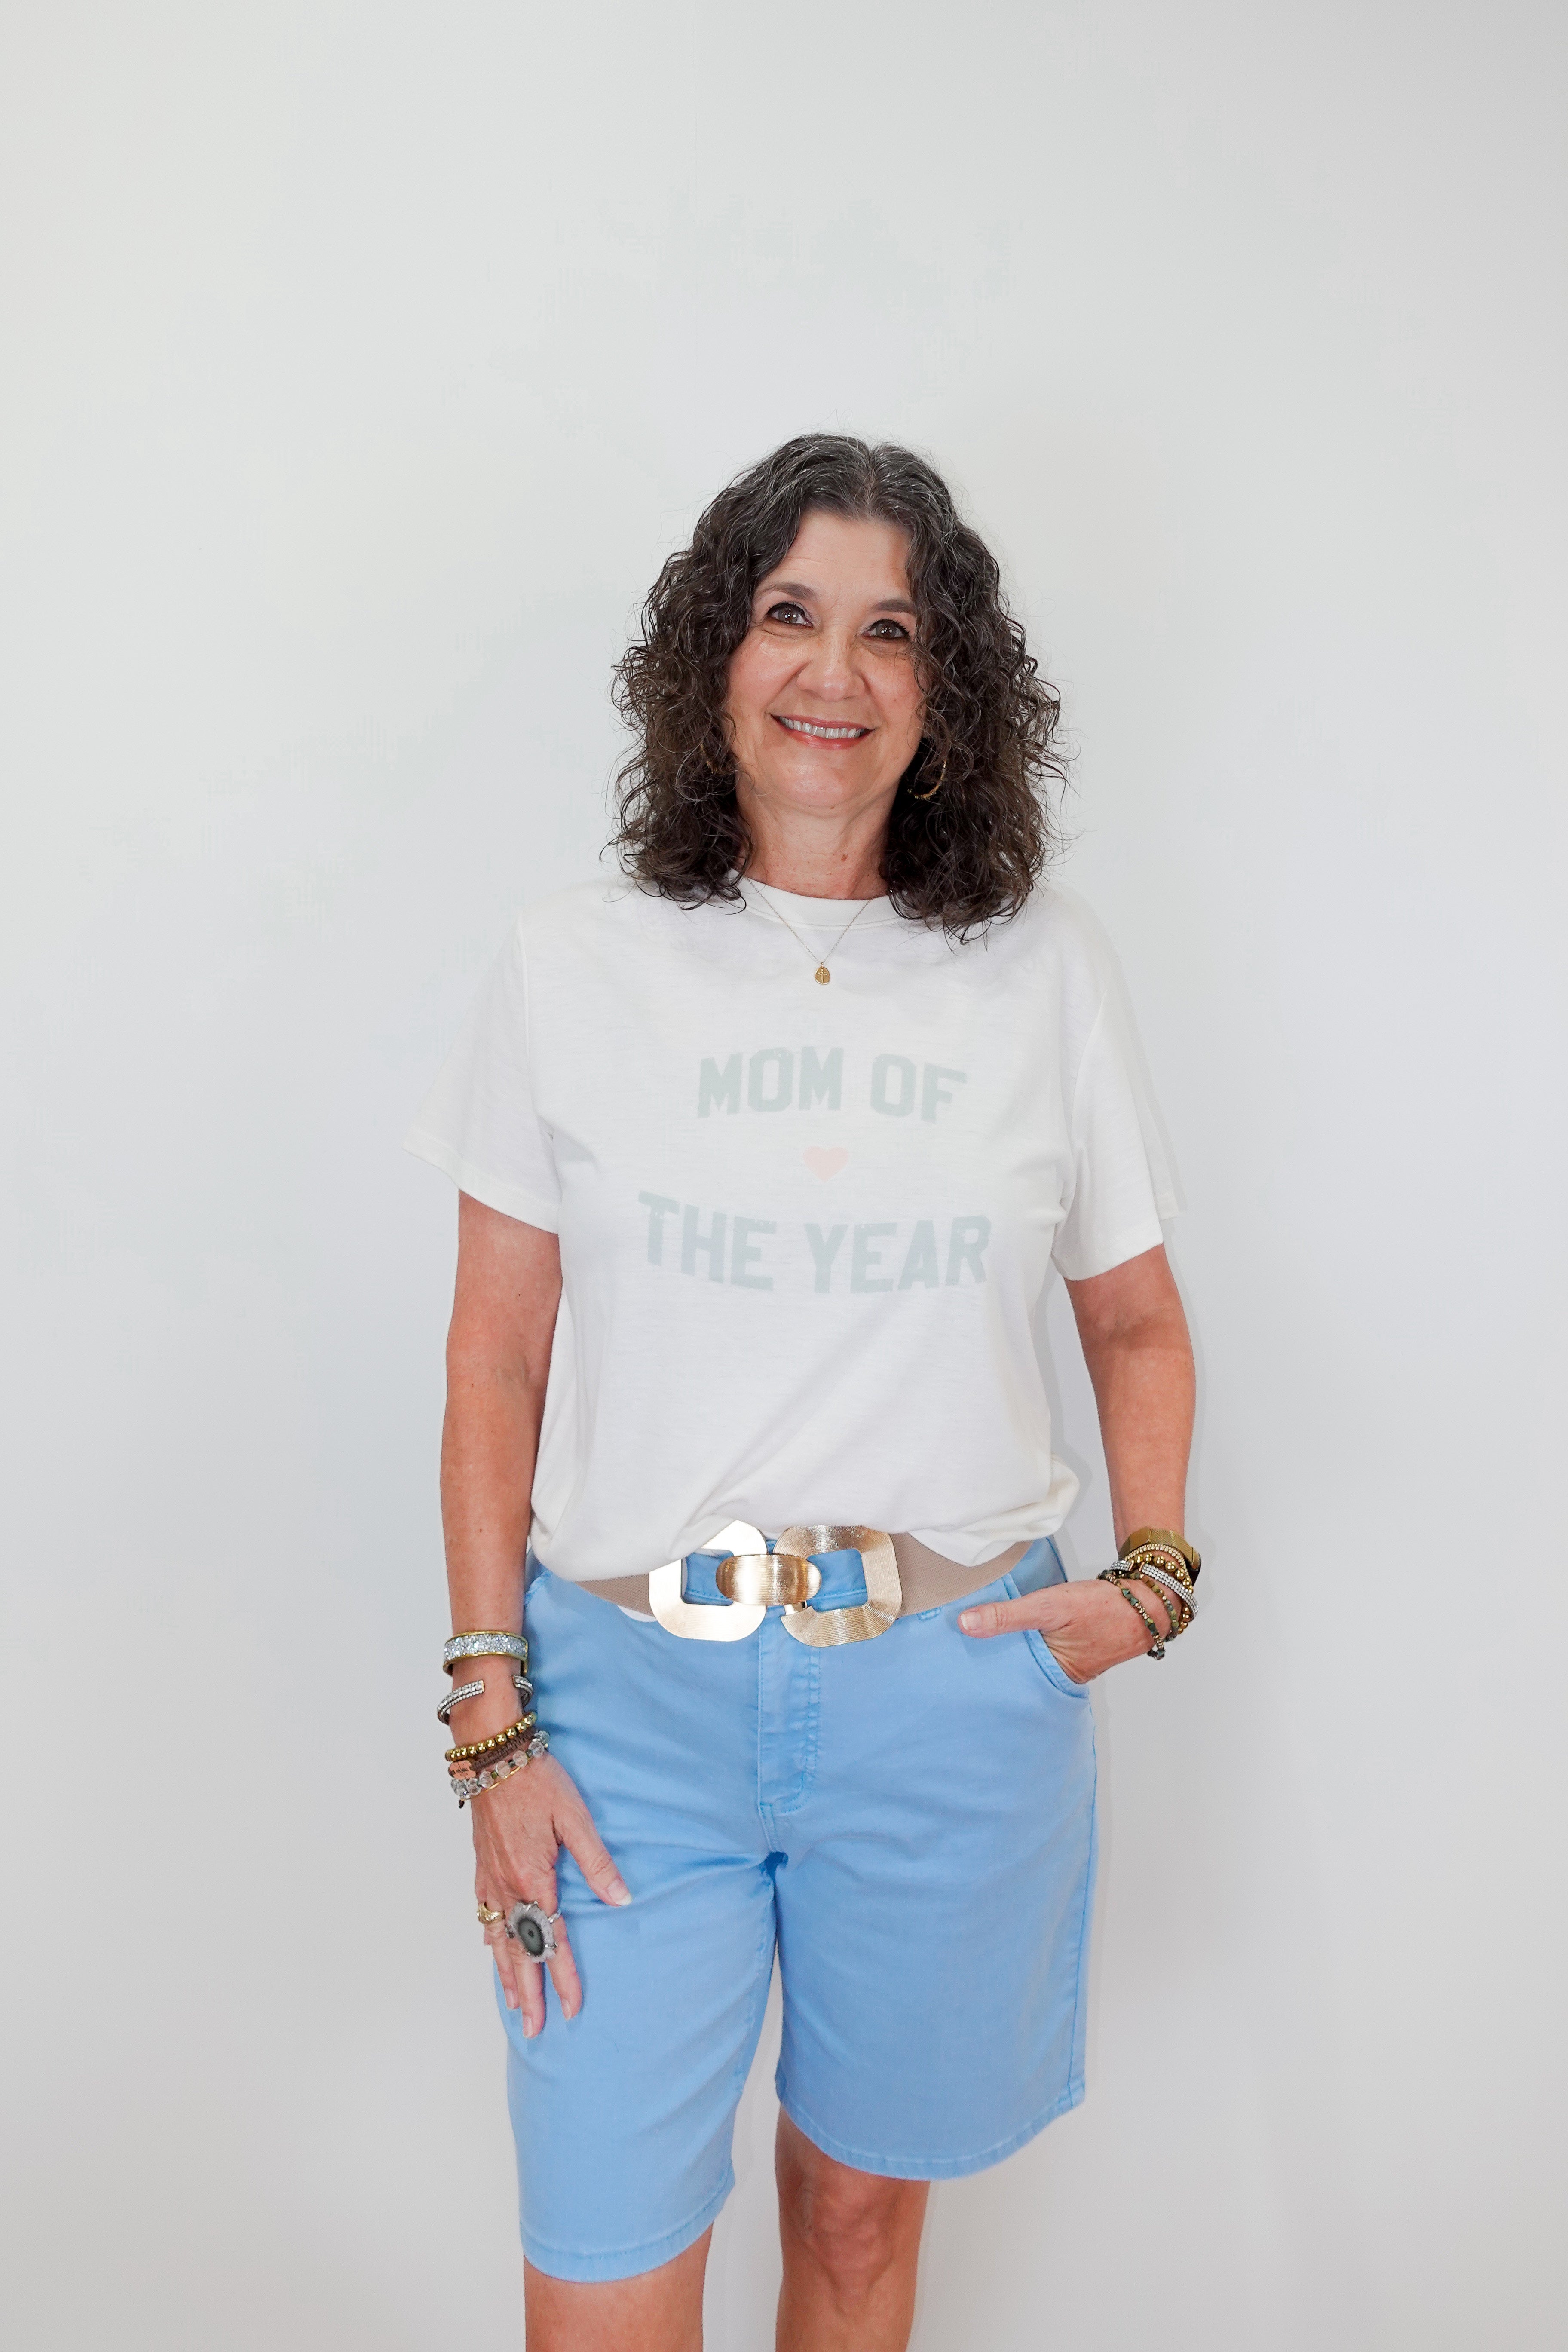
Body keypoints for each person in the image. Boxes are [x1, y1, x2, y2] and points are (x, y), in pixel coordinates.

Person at [406, 433, 1198, 2352]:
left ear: (947, 695)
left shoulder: (1039, 972)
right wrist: (490, 1720)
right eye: (787, 616)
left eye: (889, 631)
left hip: (950, 1702)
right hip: (623, 1717)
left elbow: (1139, 1322)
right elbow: (496, 1353)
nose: (832, 672)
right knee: (600, 2297)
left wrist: (1149, 1583)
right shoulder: (572, 965)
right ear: (716, 659)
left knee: (852, 2234)